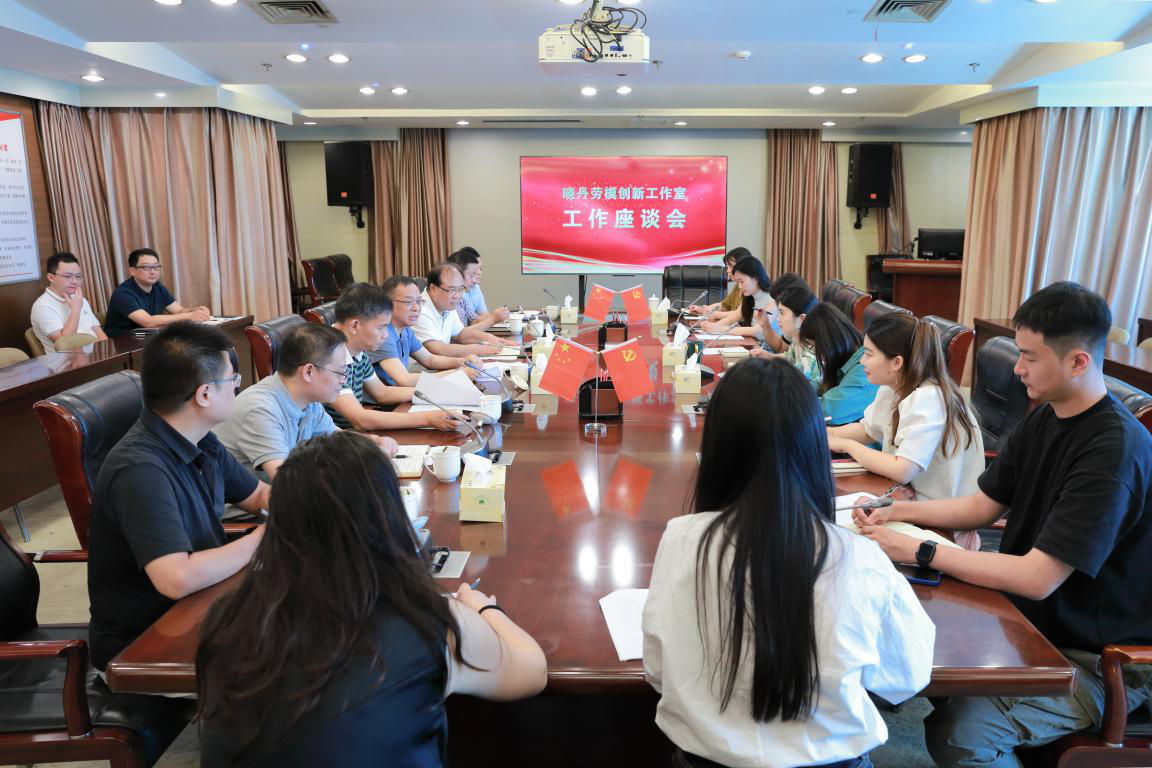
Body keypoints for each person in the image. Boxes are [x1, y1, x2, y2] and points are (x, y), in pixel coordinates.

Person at [854, 282, 1152, 767]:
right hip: (1031, 624)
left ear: (1078, 362)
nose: (1017, 369)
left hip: (1101, 660)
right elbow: (981, 507)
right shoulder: (1047, 417)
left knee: (961, 733)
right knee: (900, 646)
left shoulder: (1114, 450)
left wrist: (922, 551)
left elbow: (1038, 578)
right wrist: (896, 511)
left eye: (1029, 357)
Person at [643, 357, 934, 768]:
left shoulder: (682, 540)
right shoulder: (859, 557)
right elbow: (907, 675)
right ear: (814, 450)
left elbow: (657, 672)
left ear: (717, 451)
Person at [197, 430, 548, 767]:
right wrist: (483, 607)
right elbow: (532, 669)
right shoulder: (427, 622)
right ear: (387, 514)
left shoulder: (227, 619)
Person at [87, 322, 269, 670]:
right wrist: (264, 537)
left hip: (204, 606)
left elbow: (258, 494)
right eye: (233, 379)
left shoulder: (200, 437)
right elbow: (176, 578)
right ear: (204, 394)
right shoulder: (139, 470)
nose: (237, 386)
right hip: (148, 643)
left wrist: (309, 501)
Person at [828, 312, 985, 549]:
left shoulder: (928, 398)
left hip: (943, 526)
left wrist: (846, 445)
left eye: (868, 354)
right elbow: (867, 430)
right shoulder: (894, 387)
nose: (862, 362)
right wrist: (823, 434)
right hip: (910, 502)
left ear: (896, 363)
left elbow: (903, 469)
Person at [214, 324, 398, 481]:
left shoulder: (308, 400)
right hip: (258, 509)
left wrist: (373, 442)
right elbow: (286, 482)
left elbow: (337, 438)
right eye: (340, 372)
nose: (343, 380)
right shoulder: (260, 410)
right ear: (308, 372)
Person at [325, 282, 460, 432]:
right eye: (381, 328)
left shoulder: (357, 351)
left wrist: (436, 392)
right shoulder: (328, 356)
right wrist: (428, 418)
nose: (386, 335)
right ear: (355, 326)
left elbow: (382, 393)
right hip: (338, 438)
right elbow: (360, 419)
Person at [373, 275, 484, 386]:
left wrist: (463, 361)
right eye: (408, 302)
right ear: (388, 303)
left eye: (419, 301)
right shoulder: (383, 335)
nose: (416, 308)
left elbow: (429, 360)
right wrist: (455, 374)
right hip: (393, 395)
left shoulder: (406, 330)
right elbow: (405, 379)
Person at [797, 302, 878, 425]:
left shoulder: (863, 370)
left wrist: (791, 400)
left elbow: (830, 411)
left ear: (828, 343)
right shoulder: (847, 358)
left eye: (814, 346)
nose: (815, 353)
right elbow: (821, 387)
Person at [103, 248, 211, 337]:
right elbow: (148, 322)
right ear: (133, 271)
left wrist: (195, 310)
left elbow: (179, 311)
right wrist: (190, 316)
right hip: (122, 343)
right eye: (146, 267)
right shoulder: (123, 293)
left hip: (149, 338)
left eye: (156, 267)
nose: (153, 272)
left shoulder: (157, 286)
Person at [414, 263, 507, 358]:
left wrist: (489, 338)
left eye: (461, 289)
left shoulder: (446, 304)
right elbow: (439, 349)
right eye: (452, 290)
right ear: (433, 288)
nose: (457, 296)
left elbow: (460, 334)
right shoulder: (419, 309)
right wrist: (481, 349)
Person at [30, 252, 108, 352]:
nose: (75, 281)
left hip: (95, 355)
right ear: (51, 277)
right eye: (68, 276)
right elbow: (65, 344)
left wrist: (106, 354)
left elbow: (98, 332)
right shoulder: (42, 307)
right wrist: (76, 310)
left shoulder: (78, 299)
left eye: (78, 276)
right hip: (66, 360)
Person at [700, 255, 780, 347]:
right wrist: (712, 326)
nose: (739, 287)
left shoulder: (772, 300)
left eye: (742, 281)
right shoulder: (750, 297)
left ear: (756, 279)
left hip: (769, 351)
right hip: (754, 346)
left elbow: (758, 331)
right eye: (738, 282)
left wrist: (720, 329)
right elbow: (731, 318)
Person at [752, 284, 821, 388]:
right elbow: (790, 357)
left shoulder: (813, 354)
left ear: (802, 318)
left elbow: (800, 386)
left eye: (782, 313)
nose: (778, 319)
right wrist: (769, 356)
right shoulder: (798, 337)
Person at [448, 247, 510, 332]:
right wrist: (494, 318)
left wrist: (498, 315)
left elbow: (474, 320)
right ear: (458, 273)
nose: (476, 278)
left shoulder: (462, 296)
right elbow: (460, 334)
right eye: (472, 275)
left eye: (480, 269)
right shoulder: (449, 297)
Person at [687, 247, 748, 321]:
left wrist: (714, 314)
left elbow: (739, 315)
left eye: (731, 266)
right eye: (727, 267)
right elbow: (723, 306)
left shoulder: (750, 289)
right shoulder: (737, 286)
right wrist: (705, 309)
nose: (728, 270)